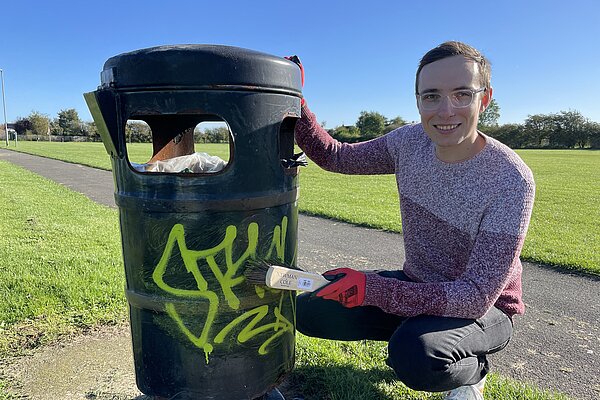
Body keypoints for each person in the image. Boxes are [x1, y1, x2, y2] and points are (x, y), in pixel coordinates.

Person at [291, 41, 535, 399]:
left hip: (487, 307)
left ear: (484, 99)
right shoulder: (409, 142)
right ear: (418, 99)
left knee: (417, 355)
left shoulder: (512, 178)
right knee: (311, 309)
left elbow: (474, 296)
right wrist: (294, 100)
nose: (445, 110)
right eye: (432, 96)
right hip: (419, 282)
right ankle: (420, 326)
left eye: (462, 94)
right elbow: (336, 156)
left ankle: (473, 370)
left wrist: (374, 290)